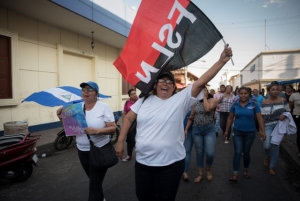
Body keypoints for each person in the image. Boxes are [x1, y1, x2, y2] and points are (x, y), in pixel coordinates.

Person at [115, 45, 232, 201]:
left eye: (169, 82)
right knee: (143, 197)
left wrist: (221, 61)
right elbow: (129, 118)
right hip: (143, 164)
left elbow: (200, 82)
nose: (165, 83)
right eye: (161, 80)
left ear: (174, 87)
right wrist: (120, 140)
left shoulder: (180, 100)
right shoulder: (143, 100)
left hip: (170, 165)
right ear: (155, 85)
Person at [57, 81, 116, 201]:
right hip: (82, 150)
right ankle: (100, 197)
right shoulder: (76, 108)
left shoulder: (104, 107)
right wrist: (61, 118)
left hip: (99, 149)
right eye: (83, 90)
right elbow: (72, 129)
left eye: (90, 90)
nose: (86, 92)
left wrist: (96, 131)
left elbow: (113, 127)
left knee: (94, 183)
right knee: (93, 179)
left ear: (96, 94)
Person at [224, 87, 266, 182]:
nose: (243, 95)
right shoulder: (235, 105)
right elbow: (230, 118)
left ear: (249, 94)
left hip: (250, 132)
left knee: (246, 153)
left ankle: (246, 169)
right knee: (238, 152)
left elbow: (259, 118)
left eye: (245, 93)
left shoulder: (254, 105)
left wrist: (262, 131)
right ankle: (235, 173)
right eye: (241, 93)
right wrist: (227, 130)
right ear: (238, 94)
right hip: (237, 132)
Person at [184, 88, 217, 182]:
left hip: (209, 130)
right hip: (197, 130)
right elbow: (191, 117)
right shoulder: (195, 102)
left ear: (207, 92)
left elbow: (207, 109)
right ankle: (200, 174)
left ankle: (208, 169)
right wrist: (186, 129)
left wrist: (205, 98)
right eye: (200, 92)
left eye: (204, 91)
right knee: (199, 153)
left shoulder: (212, 100)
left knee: (210, 153)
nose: (202, 93)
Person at [260, 81, 290, 175]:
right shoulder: (264, 102)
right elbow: (261, 117)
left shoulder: (283, 100)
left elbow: (288, 111)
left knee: (276, 146)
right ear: (269, 91)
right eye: (273, 89)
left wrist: (284, 116)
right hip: (268, 126)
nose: (275, 91)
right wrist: (262, 130)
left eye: (277, 89)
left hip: (279, 126)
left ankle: (272, 167)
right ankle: (267, 156)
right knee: (267, 146)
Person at [122, 88, 138, 162]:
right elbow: (125, 114)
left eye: (135, 93)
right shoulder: (127, 103)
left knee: (137, 139)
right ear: (129, 96)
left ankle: (141, 154)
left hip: (138, 123)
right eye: (132, 94)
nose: (134, 95)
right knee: (129, 139)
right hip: (129, 123)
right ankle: (129, 155)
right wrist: (124, 124)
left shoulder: (140, 101)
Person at [289, 83, 300, 157]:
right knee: (299, 134)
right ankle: (299, 150)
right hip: (297, 116)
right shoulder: (294, 95)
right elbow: (290, 107)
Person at [182, 107, 193, 181]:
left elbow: (192, 117)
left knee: (187, 151)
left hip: (189, 130)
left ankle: (185, 171)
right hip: (176, 130)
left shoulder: (195, 103)